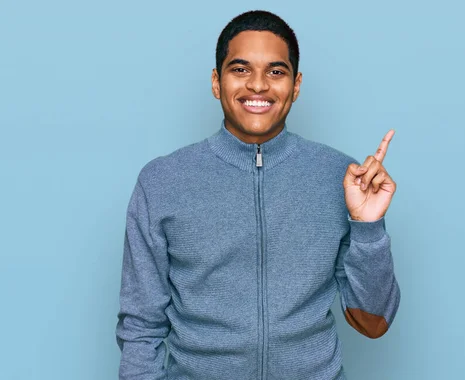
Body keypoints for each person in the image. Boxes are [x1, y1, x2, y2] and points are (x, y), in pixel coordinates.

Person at [116, 9, 400, 380]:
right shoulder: (162, 181)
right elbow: (140, 326)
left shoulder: (342, 178)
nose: (258, 85)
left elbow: (373, 323)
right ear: (217, 82)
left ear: (296, 86)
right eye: (240, 69)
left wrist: (369, 225)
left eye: (276, 71)